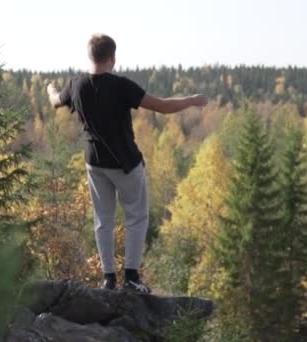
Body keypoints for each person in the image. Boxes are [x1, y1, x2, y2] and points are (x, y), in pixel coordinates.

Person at [47, 34, 208, 293]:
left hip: (94, 163)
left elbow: (56, 101)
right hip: (125, 163)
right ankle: (131, 278)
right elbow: (162, 106)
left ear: (90, 56)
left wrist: (50, 89)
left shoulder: (76, 84)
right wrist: (192, 100)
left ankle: (108, 279)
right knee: (136, 216)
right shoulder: (121, 86)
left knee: (103, 219)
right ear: (112, 57)